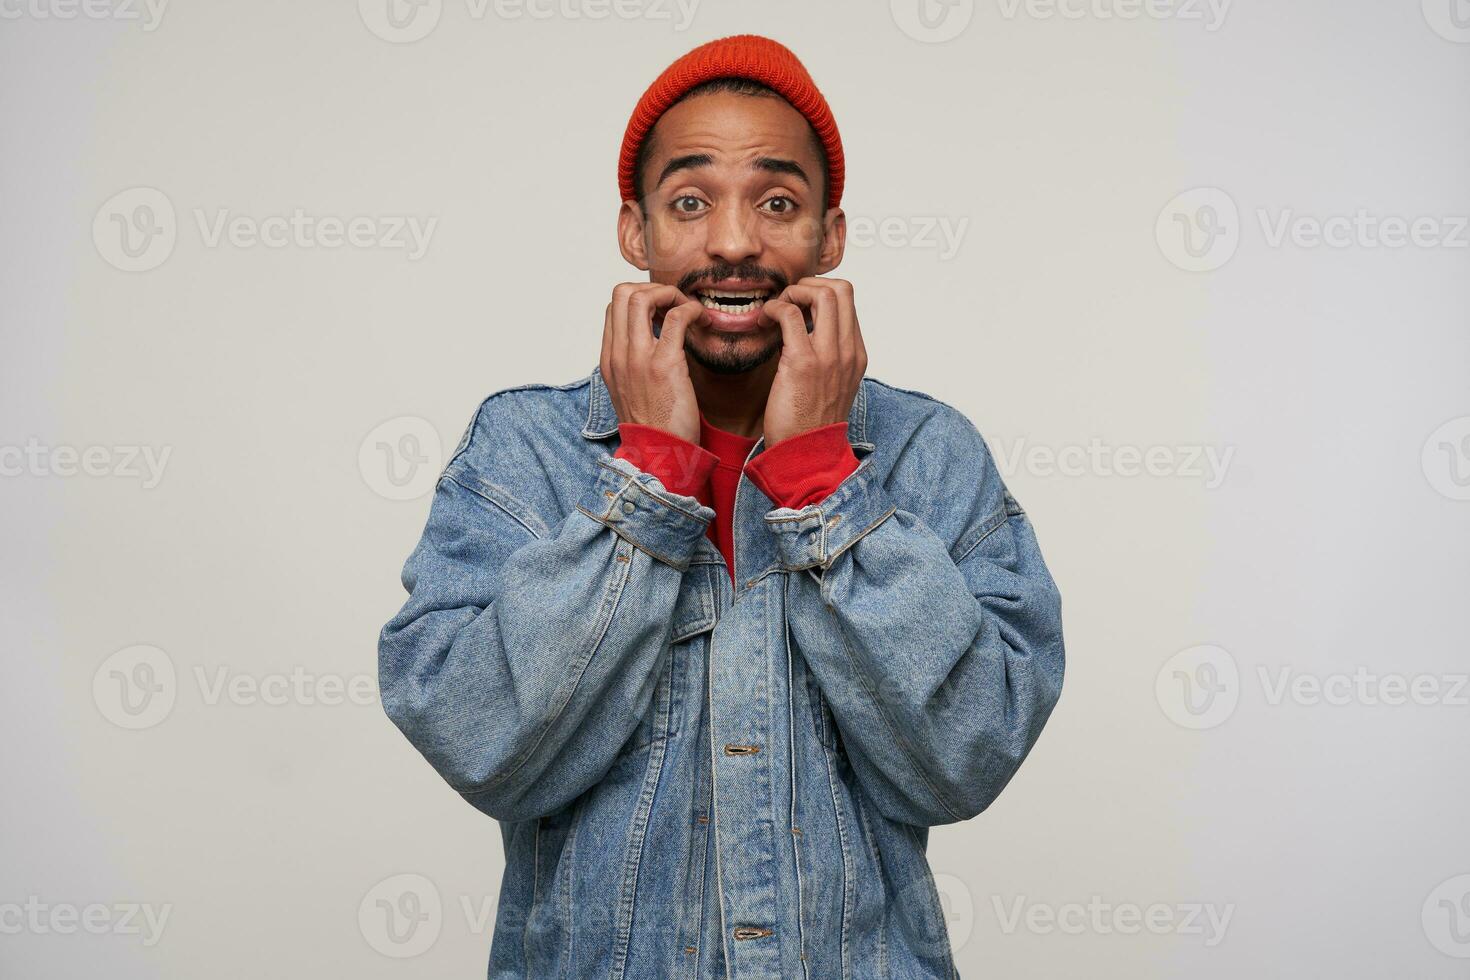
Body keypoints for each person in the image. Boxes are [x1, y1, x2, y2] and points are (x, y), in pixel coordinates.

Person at [377, 33, 1065, 980]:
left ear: (831, 234)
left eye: (777, 203)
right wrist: (651, 480)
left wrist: (824, 479)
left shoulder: (929, 454)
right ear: (637, 231)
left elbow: (965, 758)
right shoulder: (523, 452)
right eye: (690, 202)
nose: (734, 242)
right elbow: (481, 744)